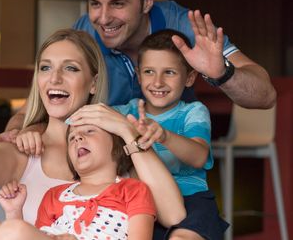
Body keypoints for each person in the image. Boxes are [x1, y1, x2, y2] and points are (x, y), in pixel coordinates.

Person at [0, 0, 276, 152]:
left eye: (118, 4)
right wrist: (15, 131)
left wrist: (222, 73)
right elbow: (31, 108)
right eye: (95, 4)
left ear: (147, 2)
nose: (103, 18)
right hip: (104, 168)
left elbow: (265, 95)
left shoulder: (183, 26)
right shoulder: (83, 31)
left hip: (171, 167)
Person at [0, 28, 185, 230]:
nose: (54, 78)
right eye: (45, 68)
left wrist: (128, 133)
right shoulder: (26, 147)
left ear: (93, 83)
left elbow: (172, 214)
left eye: (70, 68)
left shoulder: (113, 146)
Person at [69, 29, 229, 240]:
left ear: (189, 78)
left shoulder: (193, 112)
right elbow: (76, 119)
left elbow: (199, 156)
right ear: (138, 74)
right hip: (140, 201)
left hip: (191, 198)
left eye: (169, 72)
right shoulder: (126, 112)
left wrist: (165, 136)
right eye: (149, 72)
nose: (157, 82)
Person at [0, 124, 156, 240]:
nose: (78, 139)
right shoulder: (56, 194)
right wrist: (13, 212)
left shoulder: (132, 189)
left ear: (116, 145)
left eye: (89, 132)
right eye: (72, 137)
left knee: (14, 231)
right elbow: (37, 236)